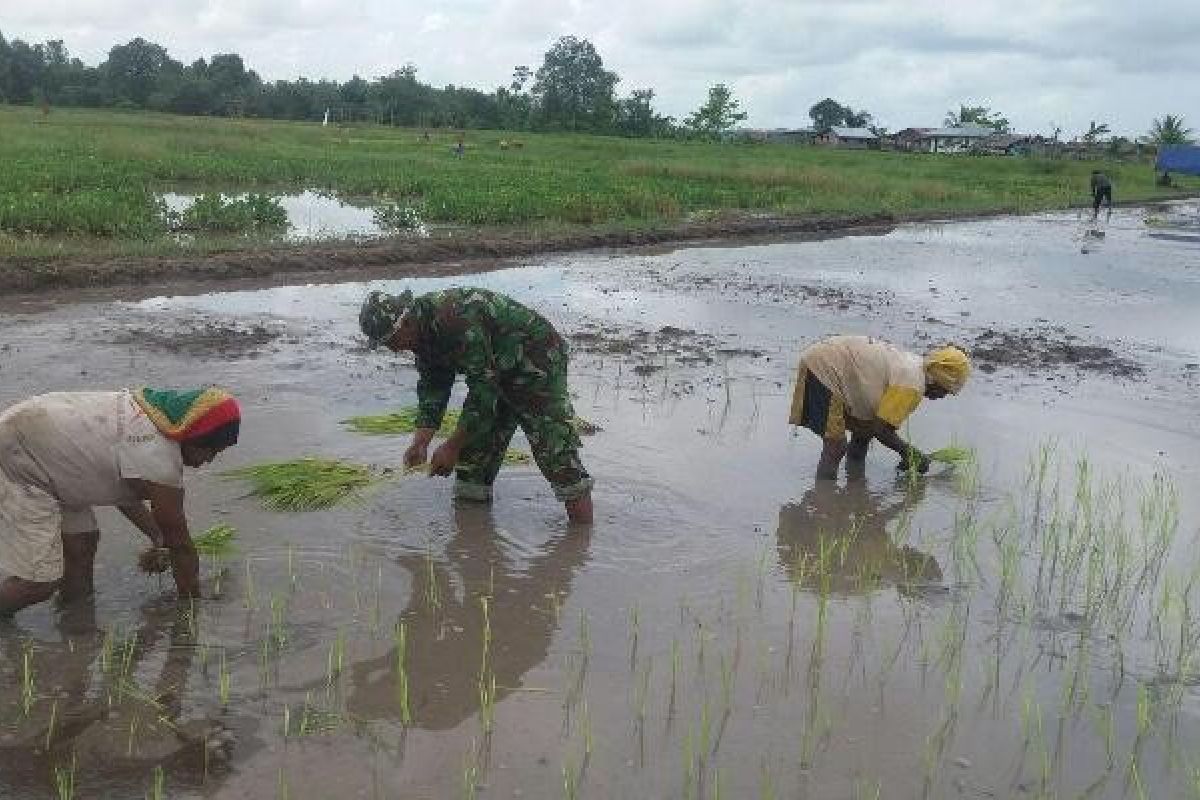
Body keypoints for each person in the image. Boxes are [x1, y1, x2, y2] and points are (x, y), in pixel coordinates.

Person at [359, 287, 594, 523]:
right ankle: (473, 549)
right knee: (473, 463)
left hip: (535, 358)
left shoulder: (456, 320)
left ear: (406, 322)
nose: (393, 349)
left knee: (556, 454)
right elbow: (434, 384)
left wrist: (451, 446)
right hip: (494, 372)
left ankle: (581, 544)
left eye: (391, 340)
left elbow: (484, 391)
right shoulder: (420, 335)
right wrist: (421, 442)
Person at [0, 387, 241, 615]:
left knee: (82, 544)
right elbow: (180, 545)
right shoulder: (157, 455)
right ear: (194, 436)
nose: (210, 460)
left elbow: (125, 490)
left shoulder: (153, 421)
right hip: (18, 455)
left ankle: (76, 629)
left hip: (54, 454)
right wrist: (191, 607)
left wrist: (157, 537)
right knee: (39, 583)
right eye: (212, 450)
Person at [788, 335, 970, 479]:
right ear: (937, 380)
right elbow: (881, 430)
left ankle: (854, 484)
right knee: (836, 446)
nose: (942, 397)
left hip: (828, 357)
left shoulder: (915, 366)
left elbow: (870, 429)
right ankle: (823, 504)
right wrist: (910, 453)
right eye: (945, 391)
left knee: (862, 434)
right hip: (826, 367)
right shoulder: (912, 385)